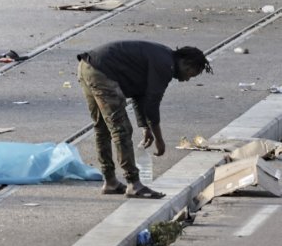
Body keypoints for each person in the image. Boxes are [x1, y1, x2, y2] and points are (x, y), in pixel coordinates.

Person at [76, 42, 213, 199]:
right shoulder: (165, 65)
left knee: (102, 128)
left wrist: (145, 127)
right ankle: (133, 183)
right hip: (103, 73)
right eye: (191, 73)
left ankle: (110, 181)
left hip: (87, 67)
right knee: (121, 129)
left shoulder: (163, 57)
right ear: (185, 63)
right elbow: (152, 104)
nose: (188, 78)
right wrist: (159, 140)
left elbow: (139, 94)